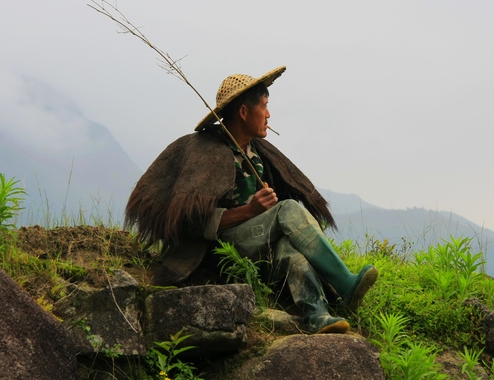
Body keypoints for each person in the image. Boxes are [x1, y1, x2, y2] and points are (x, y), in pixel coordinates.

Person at [125, 66, 377, 334]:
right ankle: (344, 284)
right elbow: (191, 221)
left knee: (291, 252)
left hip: (259, 245)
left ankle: (317, 314)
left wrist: (264, 205)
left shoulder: (257, 154)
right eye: (265, 106)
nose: (269, 114)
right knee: (288, 209)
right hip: (221, 252)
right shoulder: (205, 152)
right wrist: (250, 210)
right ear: (244, 112)